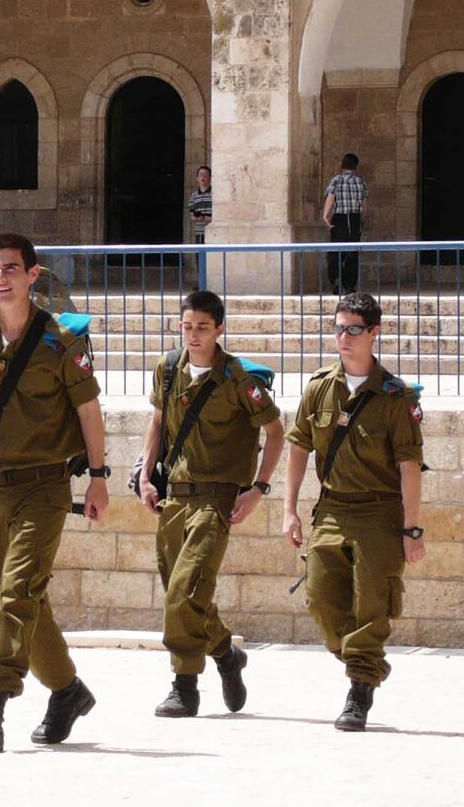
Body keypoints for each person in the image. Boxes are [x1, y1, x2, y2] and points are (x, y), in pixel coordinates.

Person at [0, 231, 110, 753]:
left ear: (33, 275)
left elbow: (88, 412)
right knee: (20, 593)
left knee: (16, 592)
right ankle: (68, 690)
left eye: (10, 269)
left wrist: (99, 476)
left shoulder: (59, 339)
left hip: (45, 486)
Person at [281, 291, 425, 732]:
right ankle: (363, 662)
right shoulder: (319, 387)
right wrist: (289, 510)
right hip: (332, 509)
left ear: (374, 334)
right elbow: (299, 447)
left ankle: (359, 687)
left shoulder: (396, 397)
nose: (344, 337)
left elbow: (409, 466)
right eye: (339, 328)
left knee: (371, 603)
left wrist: (412, 528)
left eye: (354, 329)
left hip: (379, 514)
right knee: (321, 600)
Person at [139, 289, 283, 716]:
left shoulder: (240, 378)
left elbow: (276, 432)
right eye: (187, 327)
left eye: (202, 327)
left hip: (217, 498)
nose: (193, 335)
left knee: (184, 592)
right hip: (175, 497)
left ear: (220, 329)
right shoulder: (167, 370)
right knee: (182, 594)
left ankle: (185, 684)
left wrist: (259, 488)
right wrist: (146, 476)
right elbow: (159, 423)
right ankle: (225, 653)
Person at [321, 155, 368, 294]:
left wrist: (325, 215)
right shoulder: (361, 182)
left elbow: (331, 198)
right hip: (354, 219)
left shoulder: (336, 180)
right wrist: (362, 219)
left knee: (336, 251)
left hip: (340, 218)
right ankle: (350, 285)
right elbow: (365, 205)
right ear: (356, 166)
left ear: (342, 165)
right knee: (352, 252)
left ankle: (336, 281)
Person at [188, 166, 215, 244]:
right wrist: (197, 218)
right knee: (200, 254)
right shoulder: (193, 196)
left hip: (213, 232)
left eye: (206, 175)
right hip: (199, 231)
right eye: (201, 174)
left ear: (210, 178)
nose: (203, 176)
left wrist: (207, 218)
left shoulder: (215, 194)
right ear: (197, 178)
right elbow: (192, 215)